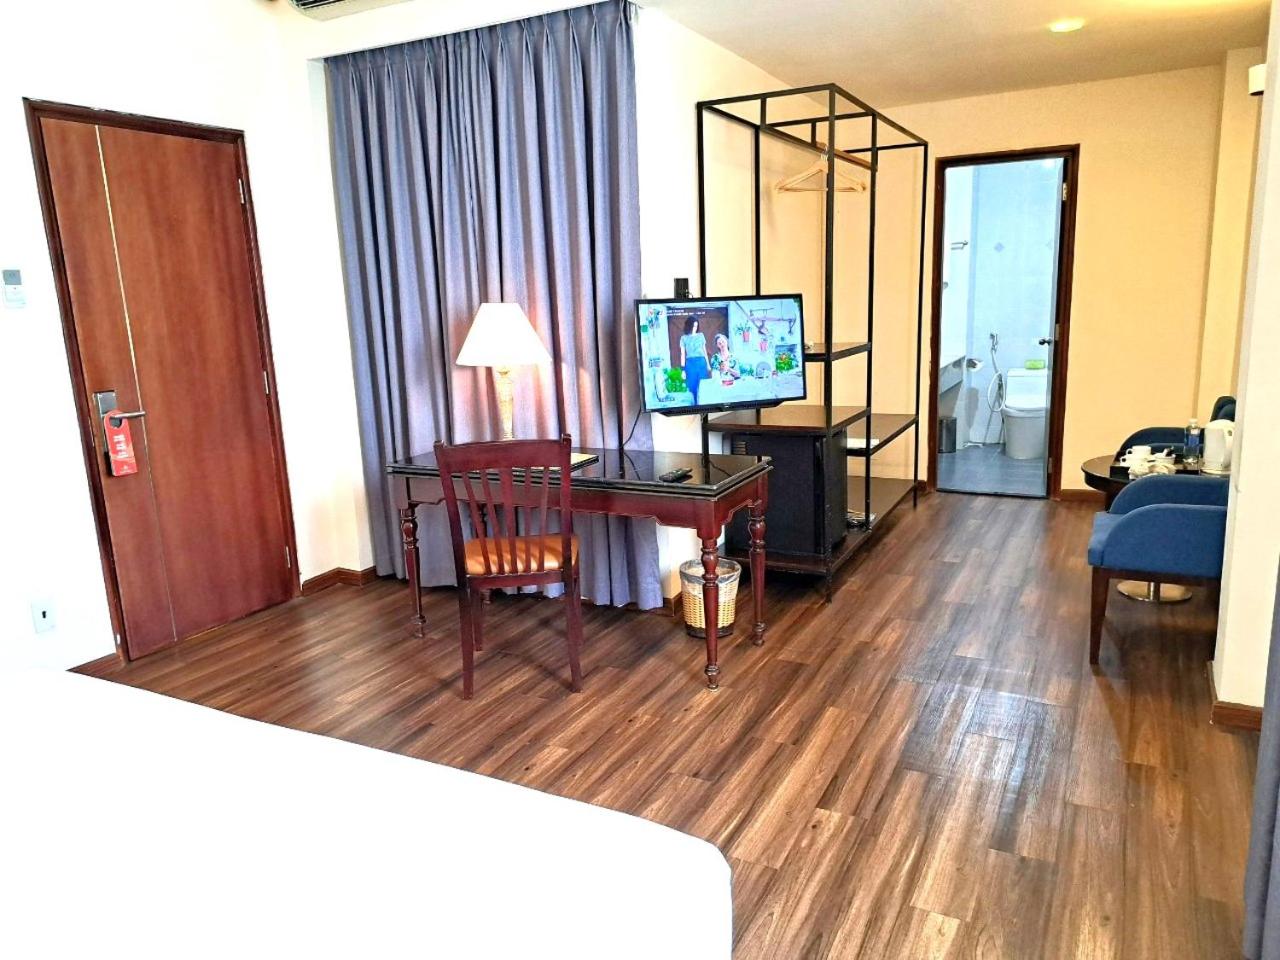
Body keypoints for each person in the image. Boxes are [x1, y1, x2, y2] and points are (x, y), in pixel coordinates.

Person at [679, 317, 710, 404]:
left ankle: (704, 405)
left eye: (696, 326)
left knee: (703, 385)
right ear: (688, 326)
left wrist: (708, 364)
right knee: (692, 386)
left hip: (701, 362)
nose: (694, 328)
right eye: (693, 326)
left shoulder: (701, 336)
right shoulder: (683, 338)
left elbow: (704, 351)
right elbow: (682, 354)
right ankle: (695, 406)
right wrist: (683, 370)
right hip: (690, 363)